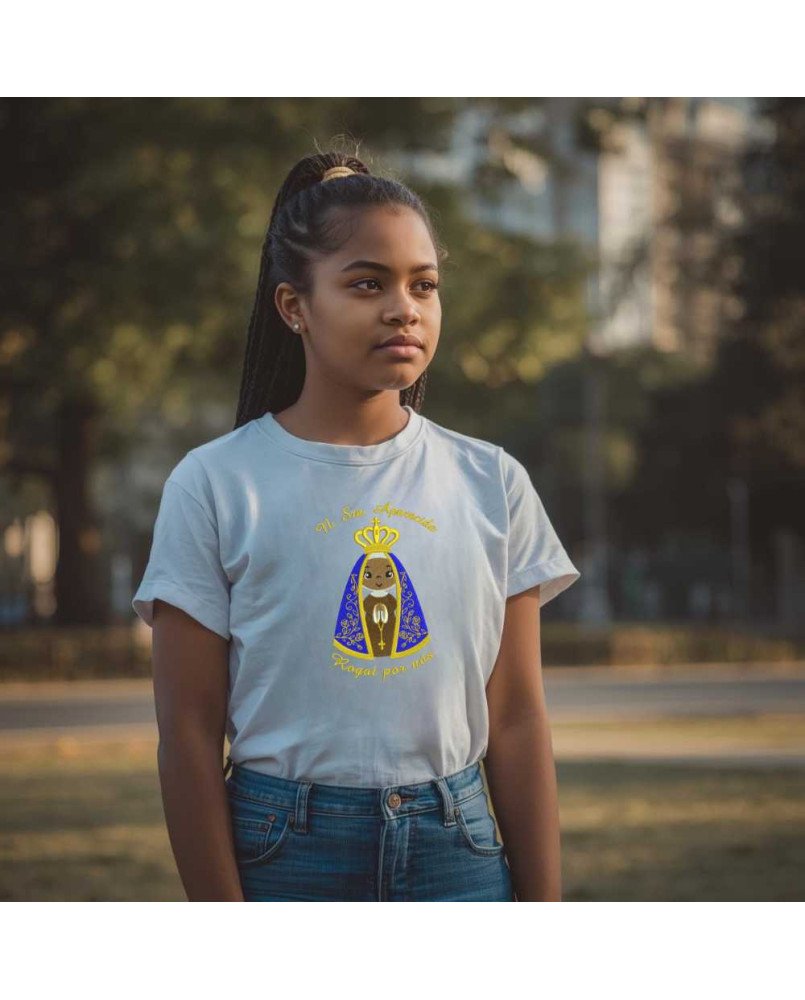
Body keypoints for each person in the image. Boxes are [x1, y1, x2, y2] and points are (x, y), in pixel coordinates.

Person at [132, 149, 581, 902]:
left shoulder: (491, 481)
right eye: (366, 283)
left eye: (424, 285)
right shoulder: (215, 484)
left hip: (459, 851)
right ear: (293, 307)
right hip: (281, 855)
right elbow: (185, 734)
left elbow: (515, 719)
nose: (403, 308)